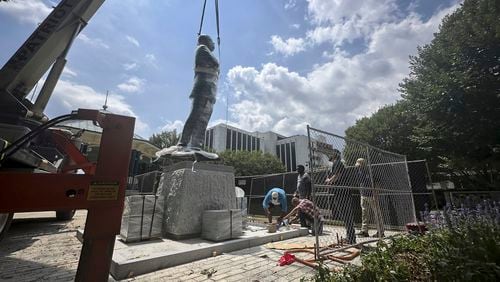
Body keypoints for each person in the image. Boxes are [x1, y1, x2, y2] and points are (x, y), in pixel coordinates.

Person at [178, 34, 219, 149]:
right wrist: (216, 66)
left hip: (209, 92)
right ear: (206, 41)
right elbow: (215, 62)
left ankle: (196, 144)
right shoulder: (202, 48)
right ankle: (184, 141)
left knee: (203, 119)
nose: (214, 44)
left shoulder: (204, 49)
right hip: (202, 89)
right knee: (195, 115)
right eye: (212, 41)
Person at [325, 149, 356, 244]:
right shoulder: (338, 163)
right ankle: (350, 237)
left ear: (334, 155)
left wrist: (329, 181)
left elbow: (337, 175)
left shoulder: (337, 163)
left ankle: (351, 239)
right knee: (347, 216)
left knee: (346, 215)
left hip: (341, 192)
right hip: (342, 192)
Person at [355, 158, 385, 238]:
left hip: (372, 195)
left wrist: (376, 194)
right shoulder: (358, 172)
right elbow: (360, 183)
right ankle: (364, 231)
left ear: (364, 164)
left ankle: (380, 232)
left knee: (377, 213)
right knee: (364, 214)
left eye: (360, 165)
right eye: (358, 166)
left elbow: (378, 182)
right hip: (363, 195)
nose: (358, 167)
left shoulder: (371, 171)